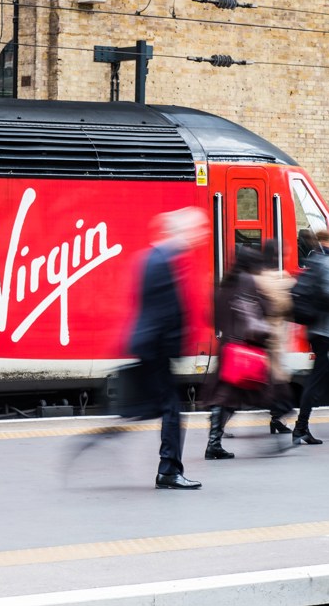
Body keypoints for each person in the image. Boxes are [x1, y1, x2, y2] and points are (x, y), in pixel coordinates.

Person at [129, 207, 209, 489]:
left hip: (152, 347)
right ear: (180, 231)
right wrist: (176, 345)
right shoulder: (165, 261)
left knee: (160, 409)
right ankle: (169, 472)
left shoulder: (153, 257)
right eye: (197, 229)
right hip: (157, 350)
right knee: (171, 411)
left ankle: (169, 469)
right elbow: (165, 313)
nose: (202, 234)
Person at [202, 246, 270, 459]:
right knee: (230, 397)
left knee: (227, 396)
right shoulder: (248, 281)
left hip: (226, 347)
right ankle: (213, 442)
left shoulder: (225, 284)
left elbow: (211, 318)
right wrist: (266, 329)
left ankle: (214, 438)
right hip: (240, 350)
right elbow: (251, 318)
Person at [291, 228, 329, 445]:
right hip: (327, 330)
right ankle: (300, 428)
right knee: (316, 380)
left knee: (327, 374)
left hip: (315, 329)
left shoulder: (314, 261)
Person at [255, 240, 295, 434]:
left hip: (257, 335)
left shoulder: (256, 277)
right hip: (274, 335)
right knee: (277, 378)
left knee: (263, 377)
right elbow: (286, 307)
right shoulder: (279, 279)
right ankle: (278, 416)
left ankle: (276, 419)